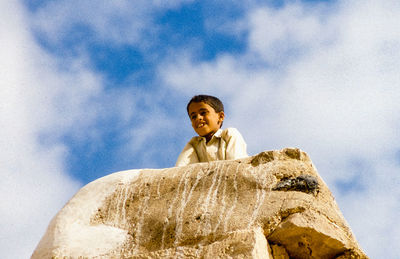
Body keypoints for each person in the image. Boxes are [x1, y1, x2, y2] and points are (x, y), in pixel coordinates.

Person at [175, 95, 248, 167]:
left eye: (203, 113)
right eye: (194, 117)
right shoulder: (194, 144)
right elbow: (180, 170)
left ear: (220, 116)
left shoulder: (229, 134)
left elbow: (237, 166)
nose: (198, 118)